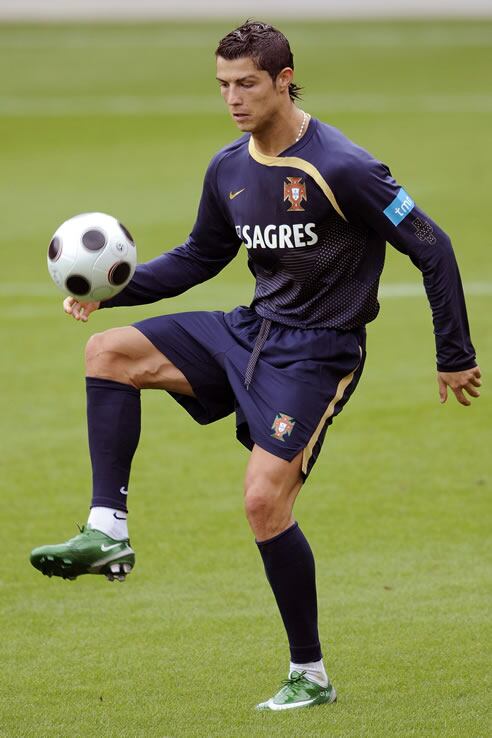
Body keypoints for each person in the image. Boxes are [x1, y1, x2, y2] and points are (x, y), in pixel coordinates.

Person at [30, 20, 481, 711]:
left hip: (319, 353)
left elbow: (434, 246)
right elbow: (200, 257)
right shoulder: (229, 169)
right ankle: (108, 531)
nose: (233, 98)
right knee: (110, 351)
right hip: (251, 331)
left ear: (284, 79)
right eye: (223, 86)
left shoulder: (344, 167)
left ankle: (311, 674)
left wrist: (454, 354)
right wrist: (119, 287)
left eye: (246, 84)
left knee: (263, 503)